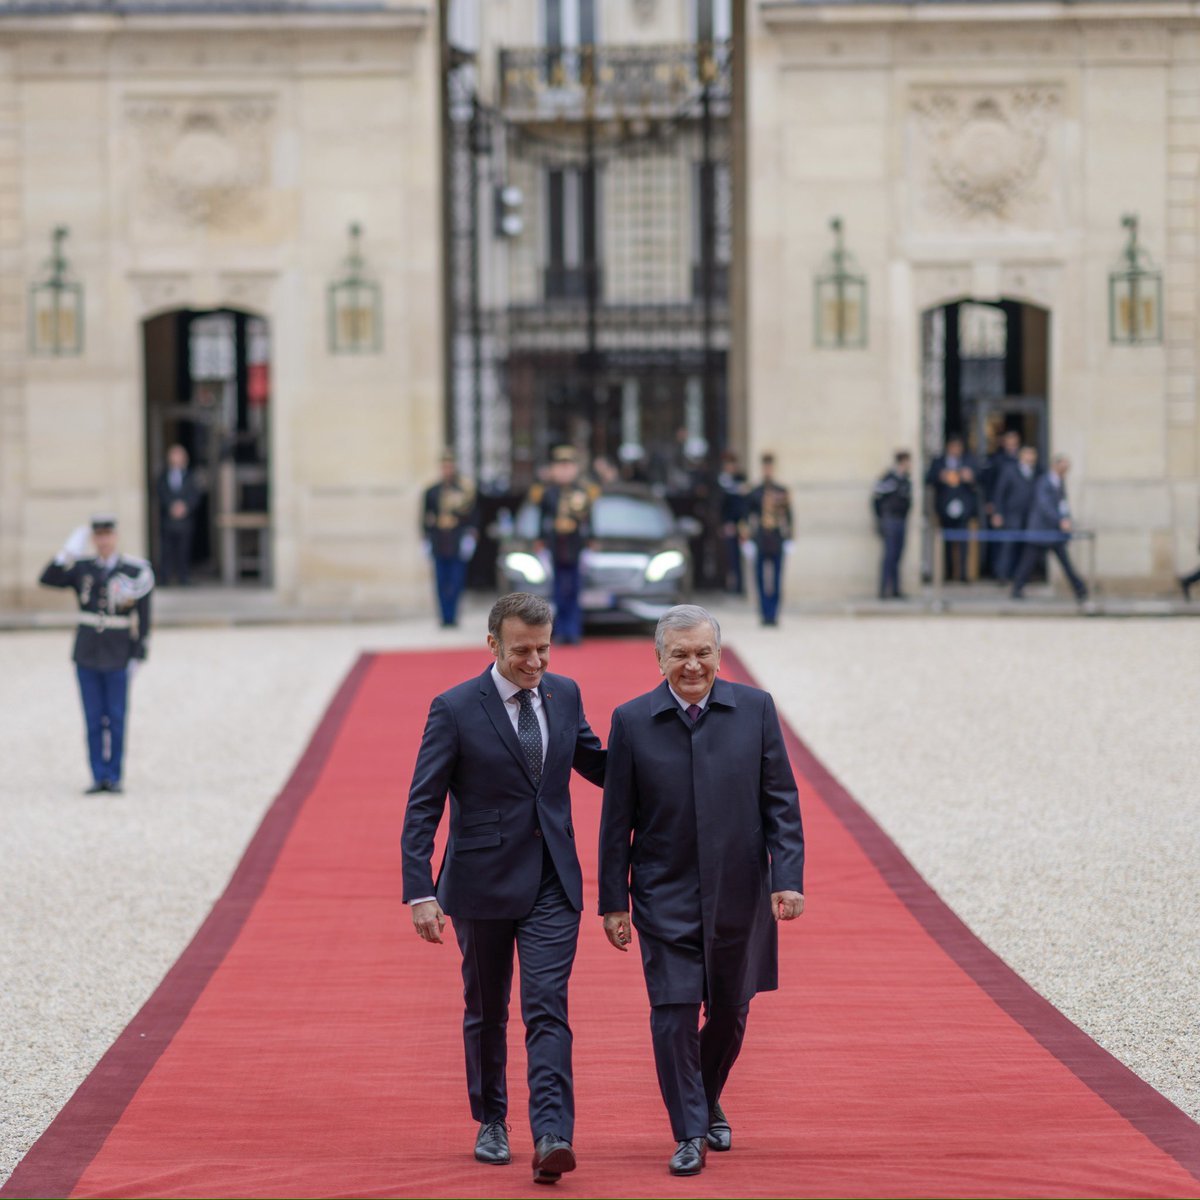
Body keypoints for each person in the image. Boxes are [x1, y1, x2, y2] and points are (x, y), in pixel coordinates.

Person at [401, 592, 607, 1186]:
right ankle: (492, 1120)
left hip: (553, 880)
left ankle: (552, 1135)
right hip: (481, 883)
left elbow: (598, 764)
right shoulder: (455, 707)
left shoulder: (565, 694)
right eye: (522, 651)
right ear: (492, 644)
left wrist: (666, 753)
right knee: (487, 1009)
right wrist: (420, 890)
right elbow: (423, 804)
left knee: (547, 1007)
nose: (535, 662)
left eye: (543, 649)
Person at [598, 605, 805, 1177]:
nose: (693, 665)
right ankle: (690, 1130)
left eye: (703, 653)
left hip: (740, 892)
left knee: (731, 1012)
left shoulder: (756, 709)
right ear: (659, 658)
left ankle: (706, 1096)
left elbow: (781, 801)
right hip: (662, 893)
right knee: (673, 1012)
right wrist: (614, 902)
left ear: (718, 653)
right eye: (680, 654)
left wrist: (788, 878)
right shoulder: (631, 720)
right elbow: (616, 821)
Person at [39, 514, 155, 794]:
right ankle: (97, 775)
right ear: (93, 539)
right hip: (87, 652)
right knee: (93, 718)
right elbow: (48, 578)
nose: (103, 541)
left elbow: (144, 616)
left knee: (115, 717)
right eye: (99, 536)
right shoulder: (82, 568)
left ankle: (114, 776)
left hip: (118, 652)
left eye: (107, 535)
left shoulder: (134, 570)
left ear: (115, 536)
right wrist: (66, 552)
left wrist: (139, 652)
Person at [525, 447, 599, 645]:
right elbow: (542, 518)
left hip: (575, 544)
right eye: (560, 467)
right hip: (556, 544)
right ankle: (559, 630)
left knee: (574, 588)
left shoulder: (582, 491)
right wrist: (540, 539)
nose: (564, 471)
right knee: (557, 590)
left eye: (568, 466)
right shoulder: (548, 492)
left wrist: (591, 538)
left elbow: (589, 518)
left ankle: (573, 631)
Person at [1011, 454, 1088, 602]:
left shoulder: (1059, 482)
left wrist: (1067, 519)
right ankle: (1017, 588)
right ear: (1055, 466)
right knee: (1028, 562)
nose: (1065, 470)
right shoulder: (1044, 481)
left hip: (1053, 532)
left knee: (1065, 562)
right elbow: (1044, 505)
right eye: (1063, 467)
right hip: (1040, 531)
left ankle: (1080, 589)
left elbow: (1062, 505)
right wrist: (1061, 520)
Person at [422, 449, 478, 628]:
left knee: (456, 581)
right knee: (440, 581)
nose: (447, 470)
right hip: (439, 540)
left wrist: (470, 536)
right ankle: (444, 616)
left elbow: (472, 515)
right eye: (444, 466)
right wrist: (425, 539)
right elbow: (425, 517)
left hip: (456, 539)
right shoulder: (432, 491)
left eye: (450, 466)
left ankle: (453, 615)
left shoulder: (463, 490)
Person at [743, 453, 793, 626]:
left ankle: (774, 614)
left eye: (770, 467)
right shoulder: (755, 492)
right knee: (761, 579)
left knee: (777, 579)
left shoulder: (781, 490)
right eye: (765, 467)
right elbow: (747, 516)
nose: (768, 470)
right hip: (761, 539)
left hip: (777, 539)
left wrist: (790, 538)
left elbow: (789, 516)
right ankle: (764, 613)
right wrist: (748, 539)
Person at [925, 435, 980, 582]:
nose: (956, 450)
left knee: (963, 541)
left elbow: (980, 479)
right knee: (946, 543)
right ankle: (948, 573)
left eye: (958, 447)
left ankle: (963, 574)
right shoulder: (939, 462)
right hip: (945, 506)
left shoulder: (968, 461)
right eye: (953, 447)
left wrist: (970, 477)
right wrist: (940, 476)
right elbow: (928, 479)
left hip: (964, 507)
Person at [990, 445, 1039, 583]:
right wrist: (998, 513)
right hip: (1012, 515)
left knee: (1025, 548)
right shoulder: (1009, 470)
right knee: (1008, 547)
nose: (1030, 457)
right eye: (1027, 454)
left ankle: (1020, 576)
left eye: (1032, 454)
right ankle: (1002, 575)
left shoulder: (1036, 472)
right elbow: (999, 492)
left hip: (1029, 516)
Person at [155, 443, 202, 586]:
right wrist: (171, 506)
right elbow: (160, 493)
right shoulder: (163, 476)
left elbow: (195, 495)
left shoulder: (191, 476)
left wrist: (185, 507)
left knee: (184, 549)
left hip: (185, 520)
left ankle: (183, 576)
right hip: (168, 520)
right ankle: (165, 577)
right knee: (166, 550)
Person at [872, 450, 913, 600]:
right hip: (889, 520)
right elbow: (876, 497)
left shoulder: (906, 480)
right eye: (908, 461)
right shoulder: (889, 478)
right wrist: (880, 518)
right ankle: (884, 590)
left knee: (897, 556)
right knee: (889, 556)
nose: (910, 465)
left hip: (901, 520)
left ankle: (896, 590)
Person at [717, 451, 747, 595]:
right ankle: (729, 584)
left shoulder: (740, 479)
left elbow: (742, 504)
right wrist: (724, 522)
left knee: (739, 557)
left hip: (740, 524)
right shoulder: (722, 481)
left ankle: (739, 586)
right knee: (728, 556)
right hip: (728, 524)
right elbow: (721, 505)